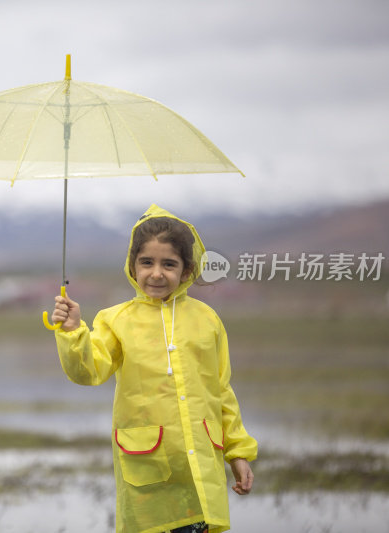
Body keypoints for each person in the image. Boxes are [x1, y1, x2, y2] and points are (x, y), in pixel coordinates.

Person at [51, 204, 257, 533]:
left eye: (169, 264)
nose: (156, 273)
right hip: (146, 466)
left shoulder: (207, 320)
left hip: (198, 468)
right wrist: (73, 331)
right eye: (147, 262)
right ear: (132, 267)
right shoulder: (115, 319)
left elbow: (221, 391)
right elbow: (87, 371)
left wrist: (238, 452)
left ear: (187, 271)